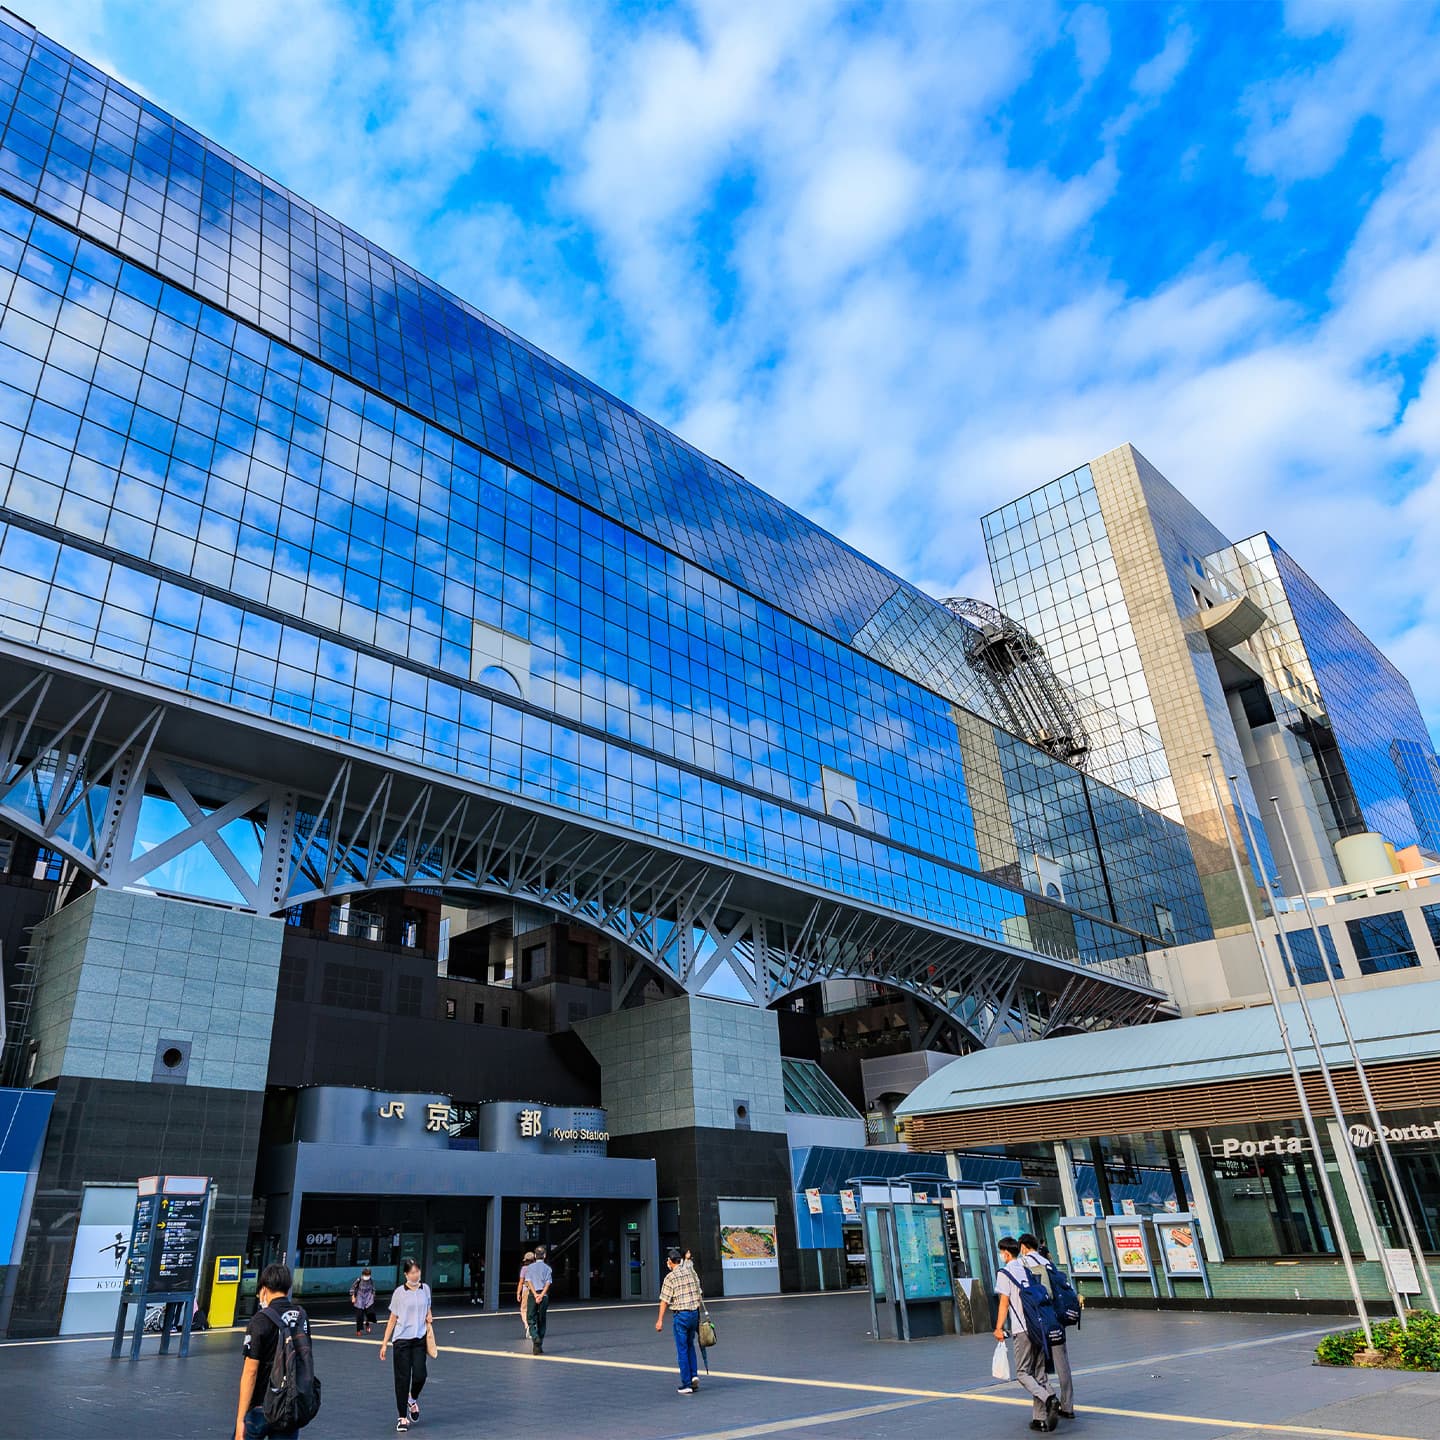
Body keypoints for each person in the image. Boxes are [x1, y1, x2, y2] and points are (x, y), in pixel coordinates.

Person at [234, 1262, 309, 1440]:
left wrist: (240, 1419)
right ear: (288, 1287)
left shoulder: (260, 1320)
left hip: (261, 1406)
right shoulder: (301, 1317)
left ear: (264, 1289)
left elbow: (250, 1372)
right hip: (289, 1406)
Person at [994, 1236, 1059, 1433]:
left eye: (1001, 1252)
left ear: (1005, 1253)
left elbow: (1004, 1303)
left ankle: (1049, 1398)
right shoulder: (1025, 1269)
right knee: (1039, 1373)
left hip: (1021, 1329)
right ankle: (1039, 1419)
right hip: (1037, 1326)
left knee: (1023, 1373)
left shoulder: (1004, 1273)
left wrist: (998, 1328)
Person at [1020, 1233, 1074, 1421]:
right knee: (1062, 1362)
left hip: (1042, 1320)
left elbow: (1042, 1294)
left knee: (1038, 1363)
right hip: (1057, 1318)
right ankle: (1068, 1406)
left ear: (1024, 1247)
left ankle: (1049, 1397)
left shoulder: (1026, 1263)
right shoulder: (1048, 1261)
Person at [379, 1258, 432, 1433]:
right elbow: (393, 1318)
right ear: (406, 1274)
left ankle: (412, 1399)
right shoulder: (399, 1293)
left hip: (419, 1339)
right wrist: (385, 1344)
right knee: (402, 1379)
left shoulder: (426, 1289)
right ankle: (402, 1417)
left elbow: (427, 1308)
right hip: (402, 1340)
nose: (415, 1275)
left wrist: (429, 1317)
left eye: (417, 1271)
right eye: (412, 1272)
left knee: (420, 1375)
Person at [655, 1246, 703, 1395]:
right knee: (690, 1345)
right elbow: (699, 1291)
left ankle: (686, 1384)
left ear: (670, 1262)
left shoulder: (670, 1278)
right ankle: (694, 1375)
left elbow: (664, 1300)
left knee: (682, 1349)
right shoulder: (690, 1272)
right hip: (694, 1314)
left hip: (681, 1316)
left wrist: (659, 1320)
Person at [521, 1244, 553, 1354]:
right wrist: (541, 1295)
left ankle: (535, 1338)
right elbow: (548, 1283)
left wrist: (535, 1295)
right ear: (544, 1255)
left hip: (532, 1295)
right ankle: (539, 1344)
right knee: (542, 1319)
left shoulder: (529, 1268)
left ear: (535, 1255)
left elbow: (528, 1281)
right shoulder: (548, 1268)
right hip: (543, 1296)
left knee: (530, 1318)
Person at [351, 1266, 377, 1335]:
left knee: (370, 1313)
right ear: (363, 1274)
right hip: (360, 1299)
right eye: (365, 1275)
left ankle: (367, 1323)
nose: (367, 1276)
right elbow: (352, 1288)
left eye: (368, 1275)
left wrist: (373, 1296)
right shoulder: (359, 1280)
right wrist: (353, 1297)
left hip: (368, 1298)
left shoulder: (371, 1280)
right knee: (359, 1315)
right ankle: (358, 1330)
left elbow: (373, 1289)